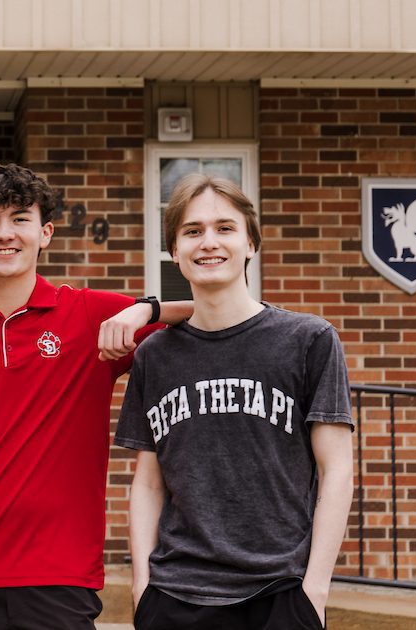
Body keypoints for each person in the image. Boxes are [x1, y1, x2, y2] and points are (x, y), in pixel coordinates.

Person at [0, 163, 190, 630]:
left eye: (20, 219)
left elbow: (221, 310)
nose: (4, 233)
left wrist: (145, 309)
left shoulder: (90, 316)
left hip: (60, 579)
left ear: (45, 233)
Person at [116, 174, 353, 630]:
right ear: (174, 251)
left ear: (251, 245)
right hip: (174, 595)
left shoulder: (308, 340)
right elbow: (147, 483)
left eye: (225, 228)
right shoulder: (155, 355)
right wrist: (141, 588)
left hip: (280, 591)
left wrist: (314, 592)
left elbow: (337, 470)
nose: (208, 242)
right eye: (192, 231)